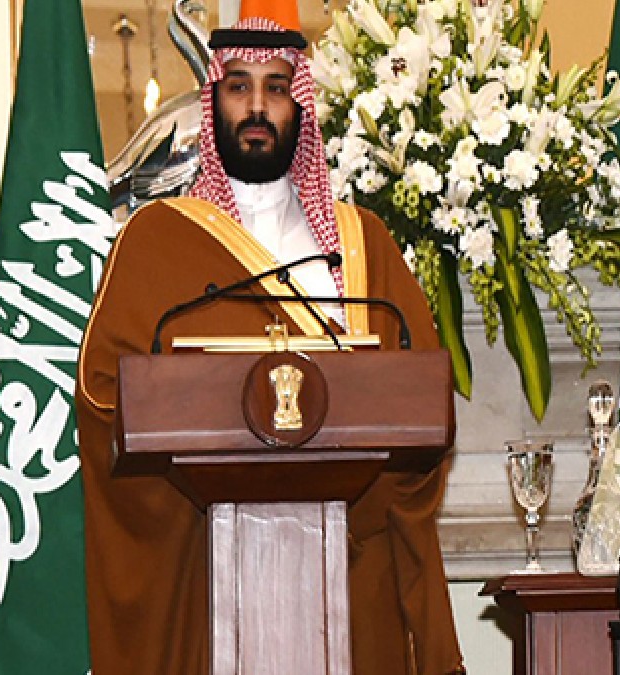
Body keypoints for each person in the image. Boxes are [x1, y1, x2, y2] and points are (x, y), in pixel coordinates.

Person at [74, 6, 464, 675]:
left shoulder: (362, 243)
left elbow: (425, 399)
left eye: (276, 87)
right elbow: (102, 398)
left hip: (350, 568)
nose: (257, 106)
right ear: (213, 101)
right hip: (205, 573)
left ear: (299, 106)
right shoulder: (155, 241)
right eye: (239, 86)